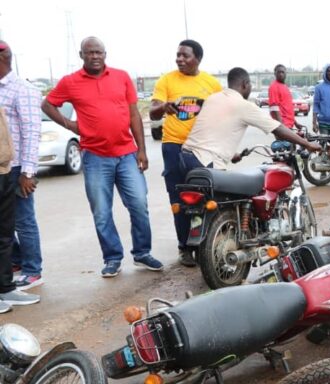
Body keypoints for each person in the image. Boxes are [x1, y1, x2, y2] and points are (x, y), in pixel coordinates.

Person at [42, 37, 162, 278]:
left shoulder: (121, 77)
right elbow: (47, 104)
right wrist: (71, 124)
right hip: (95, 157)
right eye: (90, 53)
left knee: (139, 204)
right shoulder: (70, 82)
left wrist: (142, 149)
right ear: (81, 55)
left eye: (99, 52)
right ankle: (112, 258)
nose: (95, 56)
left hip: (127, 154)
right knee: (102, 212)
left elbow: (134, 115)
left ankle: (142, 252)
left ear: (105, 54)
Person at [150, 39, 221, 267]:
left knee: (205, 198)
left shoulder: (211, 84)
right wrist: (163, 107)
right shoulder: (167, 80)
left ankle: (202, 243)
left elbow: (223, 114)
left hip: (202, 148)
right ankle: (184, 247)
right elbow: (152, 112)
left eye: (185, 55)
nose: (179, 59)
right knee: (179, 199)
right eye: (178, 55)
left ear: (197, 59)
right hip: (173, 147)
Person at [180, 67, 321, 174]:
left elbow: (214, 129)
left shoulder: (213, 98)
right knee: (238, 200)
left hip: (185, 158)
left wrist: (230, 154)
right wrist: (307, 144)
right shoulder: (243, 105)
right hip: (206, 162)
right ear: (245, 84)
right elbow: (278, 129)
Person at [0, 41, 44, 291]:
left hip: (17, 169)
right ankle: (16, 260)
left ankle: (32, 269)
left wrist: (28, 173)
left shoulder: (22, 90)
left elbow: (31, 132)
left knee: (24, 221)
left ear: (3, 58)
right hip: (2, 167)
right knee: (5, 224)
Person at [268, 64, 302, 130]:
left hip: (288, 126)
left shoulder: (285, 87)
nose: (281, 74)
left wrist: (296, 123)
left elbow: (287, 108)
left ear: (286, 74)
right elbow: (274, 109)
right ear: (275, 73)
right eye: (279, 72)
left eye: (282, 72)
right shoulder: (274, 87)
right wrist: (282, 128)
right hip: (283, 127)